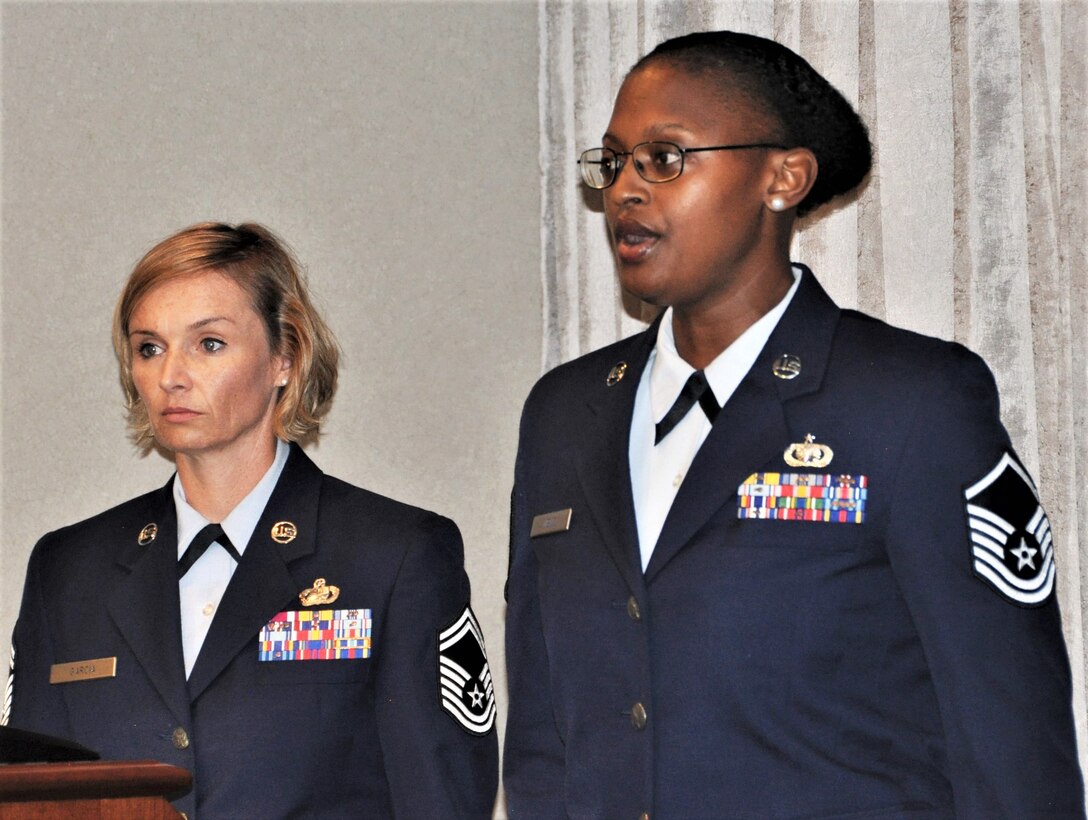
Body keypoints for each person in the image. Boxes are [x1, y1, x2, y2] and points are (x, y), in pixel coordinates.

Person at [503, 30, 1083, 818]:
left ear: (783, 177)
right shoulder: (565, 413)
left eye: (665, 159)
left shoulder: (910, 403)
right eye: (613, 163)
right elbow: (544, 737)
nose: (625, 192)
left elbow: (1009, 742)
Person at [4, 222, 498, 818]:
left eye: (209, 343)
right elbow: (28, 801)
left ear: (285, 357)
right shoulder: (69, 571)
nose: (171, 376)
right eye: (149, 347)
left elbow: (439, 801)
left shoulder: (393, 556)